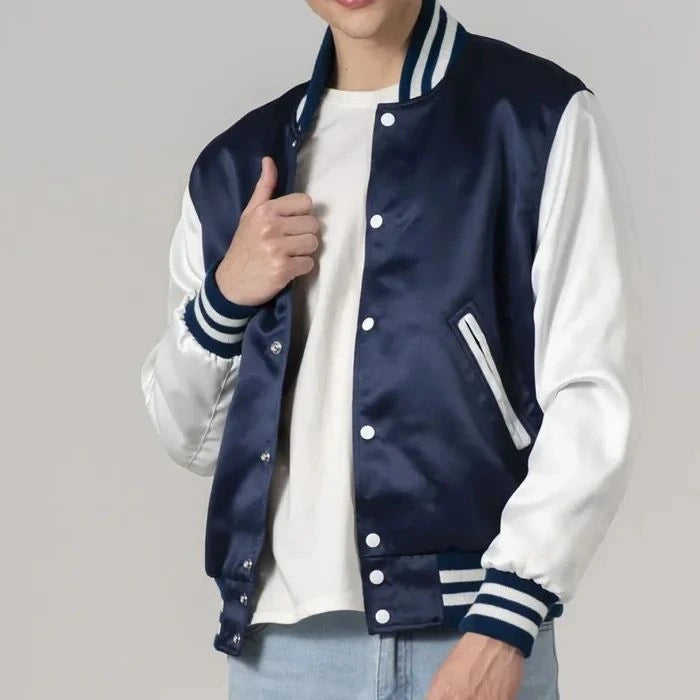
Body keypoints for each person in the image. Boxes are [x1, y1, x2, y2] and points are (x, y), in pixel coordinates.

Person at [140, 0, 637, 697]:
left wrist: (508, 616)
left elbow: (591, 390)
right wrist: (226, 297)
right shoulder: (238, 165)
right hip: (283, 655)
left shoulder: (534, 119)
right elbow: (190, 437)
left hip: (472, 629)